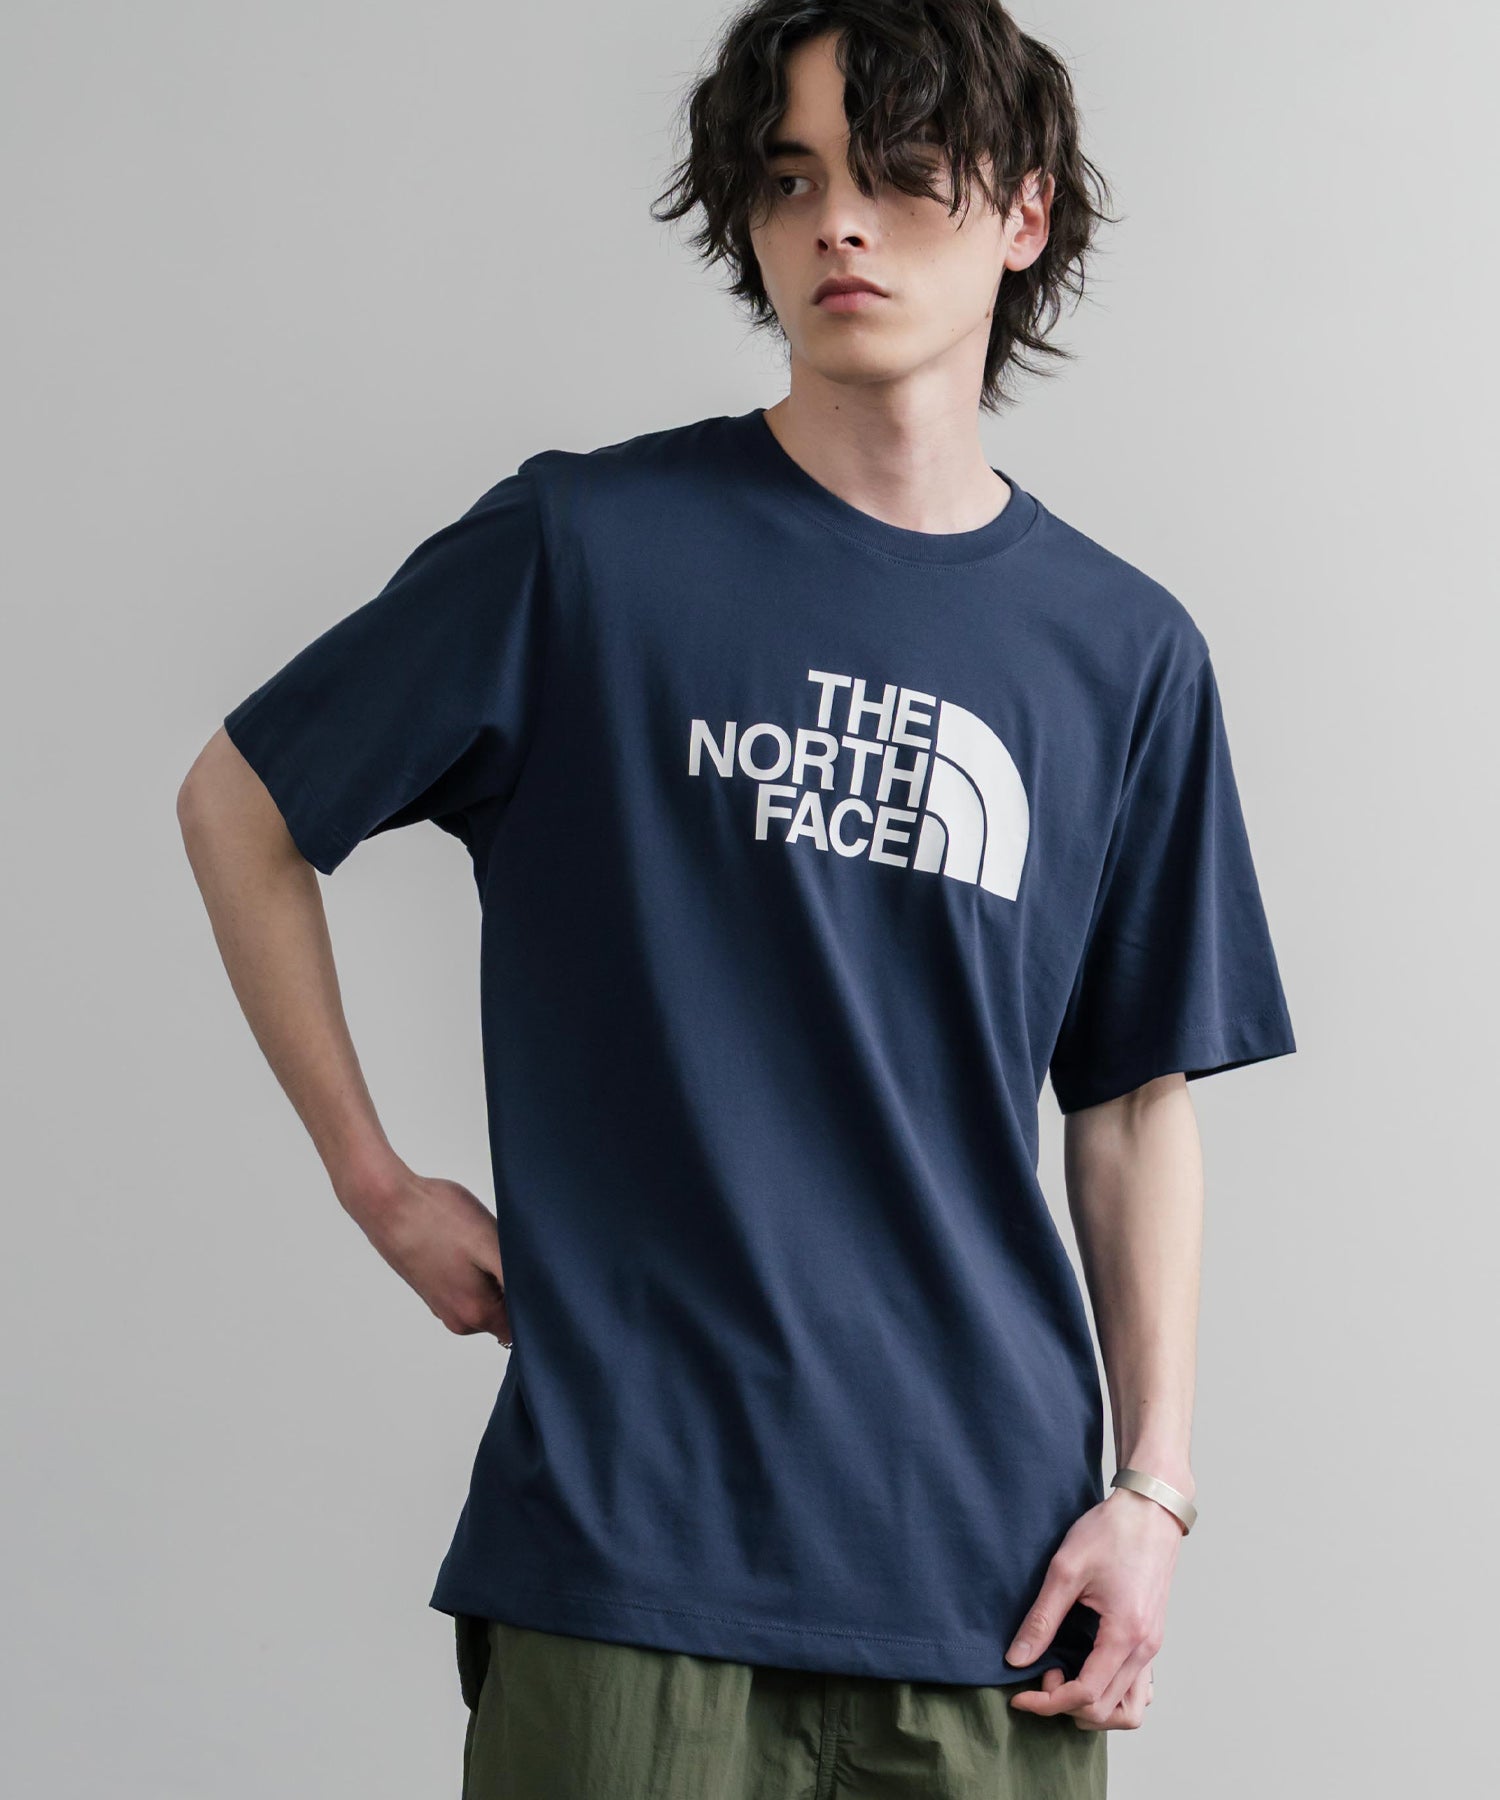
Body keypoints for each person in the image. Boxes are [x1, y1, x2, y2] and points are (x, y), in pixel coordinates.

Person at [178, 3, 1296, 1795]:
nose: (835, 221)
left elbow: (1134, 1098)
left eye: (899, 172)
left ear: (1023, 211)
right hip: (632, 1553)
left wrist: (1153, 1491)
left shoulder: (1123, 653)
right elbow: (242, 804)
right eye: (790, 180)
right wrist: (373, 1182)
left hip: (989, 1585)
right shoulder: (587, 552)